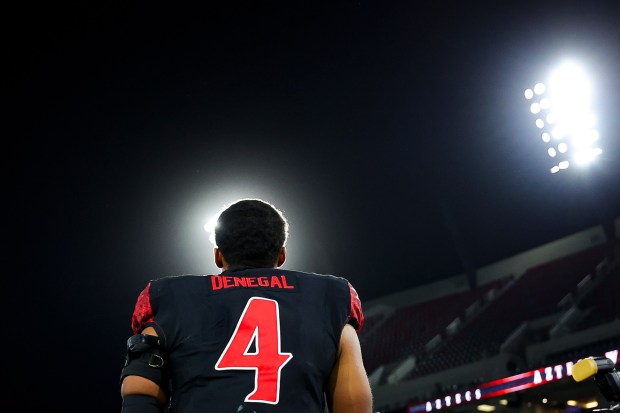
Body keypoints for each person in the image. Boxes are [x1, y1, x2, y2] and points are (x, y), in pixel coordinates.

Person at [119, 198, 373, 413]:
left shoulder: (169, 296)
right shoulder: (331, 296)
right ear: (281, 255)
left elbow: (140, 392)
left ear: (218, 256)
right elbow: (354, 406)